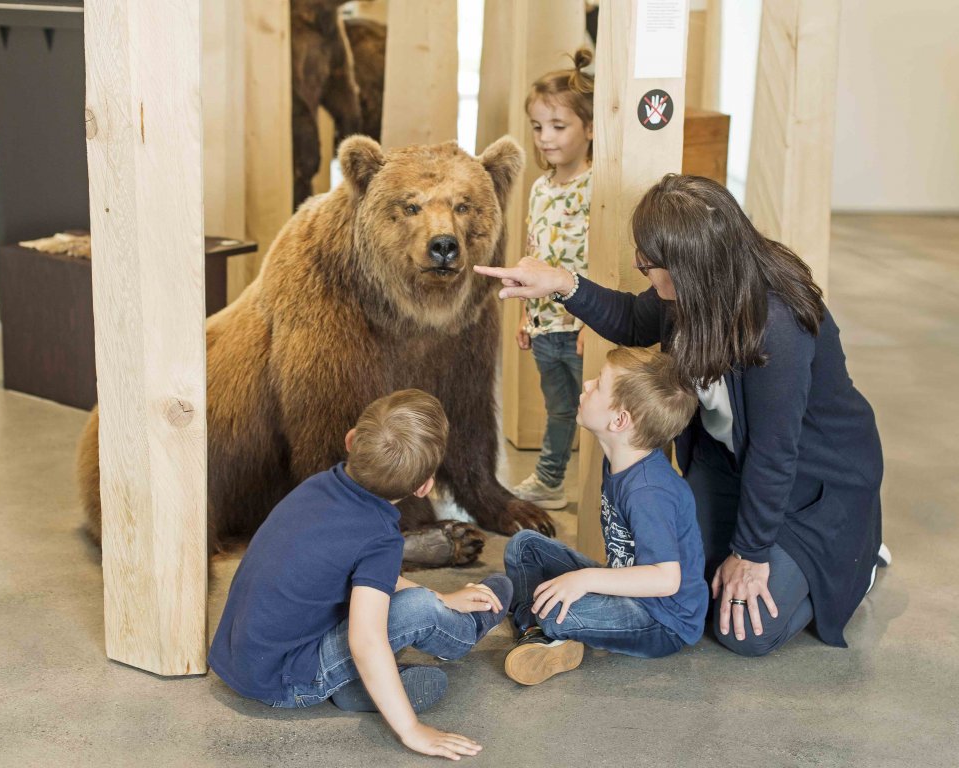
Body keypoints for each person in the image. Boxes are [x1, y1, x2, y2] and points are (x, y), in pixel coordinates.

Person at [476, 173, 890, 657]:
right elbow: (633, 319)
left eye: (650, 262)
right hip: (730, 467)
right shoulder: (693, 290)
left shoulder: (777, 326)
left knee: (743, 631)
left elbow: (775, 451)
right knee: (690, 584)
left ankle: (856, 561)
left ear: (693, 263)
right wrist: (561, 283)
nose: (640, 266)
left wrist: (751, 555)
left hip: (813, 483)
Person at [208, 389, 512, 760]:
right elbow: (365, 641)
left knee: (413, 601)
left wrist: (444, 596)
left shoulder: (315, 487)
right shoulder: (380, 538)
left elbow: (370, 579)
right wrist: (411, 730)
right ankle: (462, 632)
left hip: (241, 661)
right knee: (419, 607)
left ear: (351, 440)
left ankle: (358, 687)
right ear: (424, 487)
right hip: (287, 682)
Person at [503, 347, 707, 685]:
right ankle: (538, 628)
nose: (586, 385)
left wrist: (583, 580)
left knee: (554, 608)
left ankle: (542, 627)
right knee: (524, 545)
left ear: (620, 421)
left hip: (662, 619)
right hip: (627, 587)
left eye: (598, 384)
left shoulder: (648, 491)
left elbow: (665, 579)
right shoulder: (618, 459)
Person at [510, 47, 595, 511]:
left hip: (581, 326)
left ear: (590, 129)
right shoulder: (541, 188)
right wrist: (525, 314)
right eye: (538, 127)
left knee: (598, 414)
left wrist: (592, 324)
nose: (545, 138)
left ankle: (604, 491)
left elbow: (599, 263)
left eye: (558, 127)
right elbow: (533, 253)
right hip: (546, 328)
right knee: (558, 409)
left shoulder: (595, 186)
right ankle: (549, 482)